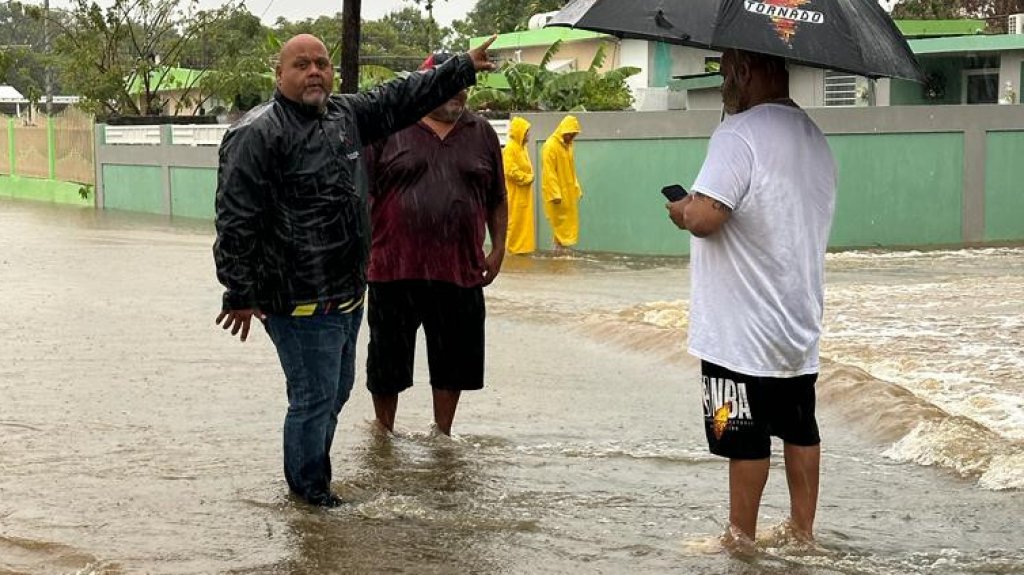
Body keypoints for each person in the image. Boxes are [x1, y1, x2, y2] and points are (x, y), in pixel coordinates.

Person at [213, 34, 496, 507]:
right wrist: (238, 291)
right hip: (297, 296)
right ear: (278, 75)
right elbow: (235, 216)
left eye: (321, 63)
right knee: (313, 398)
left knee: (336, 391)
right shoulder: (257, 133)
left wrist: (461, 66)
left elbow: (403, 96)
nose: (315, 72)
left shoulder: (345, 116)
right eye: (301, 65)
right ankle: (310, 498)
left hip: (346, 292)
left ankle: (311, 489)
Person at [666, 49, 837, 545]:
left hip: (739, 329)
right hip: (796, 322)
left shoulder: (736, 134)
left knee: (744, 438)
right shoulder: (814, 138)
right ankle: (802, 533)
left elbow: (705, 218)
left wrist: (681, 209)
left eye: (724, 74)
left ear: (745, 71)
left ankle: (739, 539)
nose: (723, 84)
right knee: (800, 428)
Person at [364, 52, 508, 437]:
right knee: (386, 363)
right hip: (393, 269)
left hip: (459, 270)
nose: (458, 92)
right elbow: (361, 194)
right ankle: (384, 435)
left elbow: (497, 196)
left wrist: (498, 249)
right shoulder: (389, 127)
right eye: (450, 83)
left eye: (463, 85)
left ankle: (442, 435)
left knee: (454, 363)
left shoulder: (482, 133)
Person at [540, 115, 583, 253]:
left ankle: (560, 251)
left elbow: (571, 169)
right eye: (570, 134)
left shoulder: (569, 146)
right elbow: (549, 172)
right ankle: (558, 252)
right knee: (559, 224)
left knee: (568, 224)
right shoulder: (550, 146)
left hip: (568, 192)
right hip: (557, 195)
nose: (571, 138)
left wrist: (576, 187)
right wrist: (555, 193)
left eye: (574, 135)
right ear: (564, 131)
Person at [503, 116, 536, 254]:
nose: (528, 134)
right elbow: (510, 170)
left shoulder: (523, 148)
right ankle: (512, 254)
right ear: (519, 132)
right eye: (526, 131)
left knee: (523, 225)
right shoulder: (511, 148)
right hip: (515, 194)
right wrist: (526, 178)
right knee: (515, 224)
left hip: (523, 195)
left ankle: (521, 253)